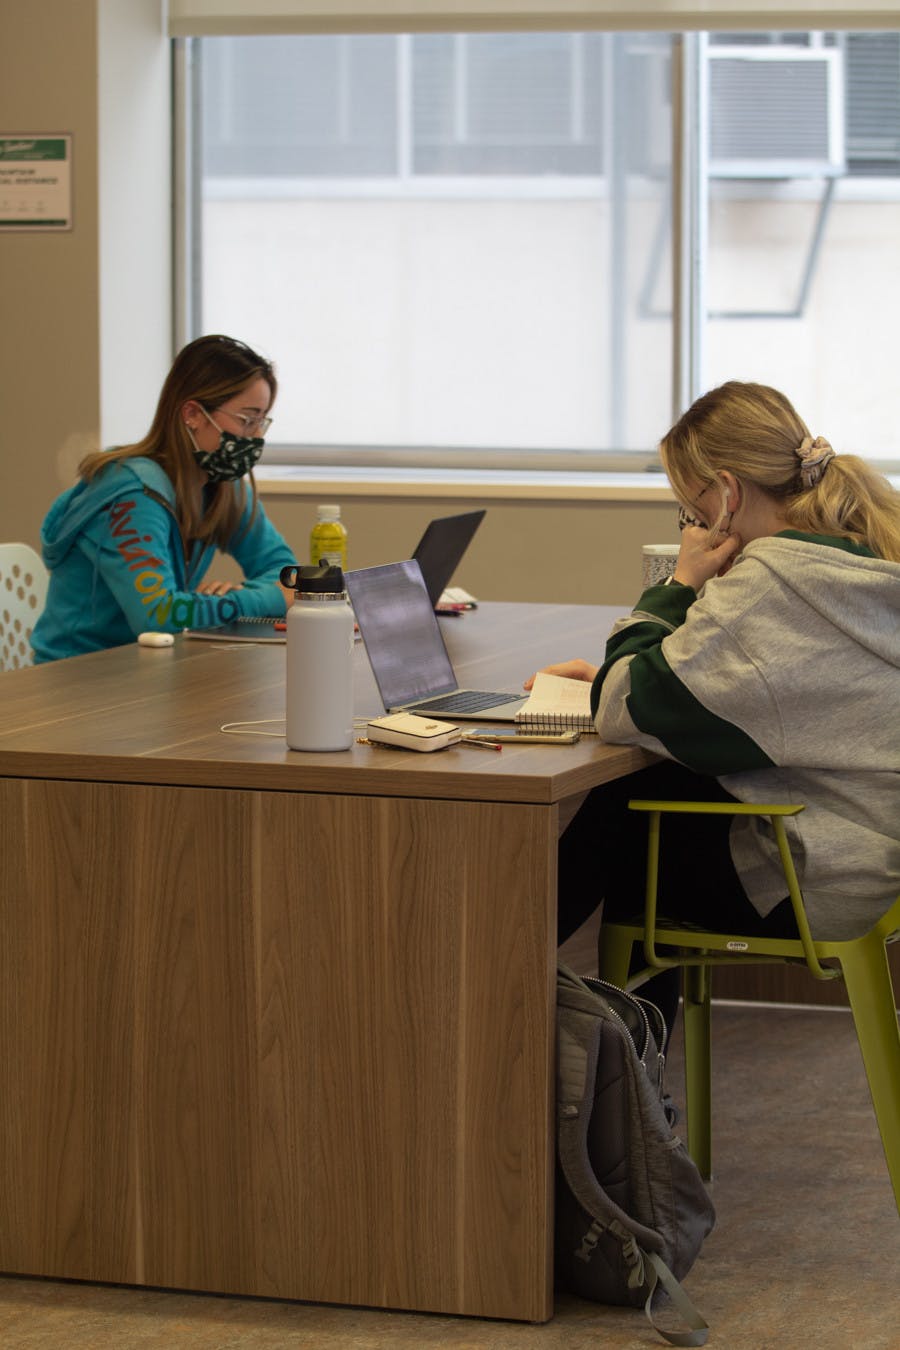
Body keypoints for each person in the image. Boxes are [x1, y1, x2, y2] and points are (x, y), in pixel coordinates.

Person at [534, 381, 900, 1033]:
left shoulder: (775, 584)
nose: (692, 524)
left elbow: (624, 706)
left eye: (689, 508)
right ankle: (632, 1089)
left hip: (823, 877)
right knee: (658, 792)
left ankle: (494, 992)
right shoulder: (862, 554)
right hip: (876, 854)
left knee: (627, 817)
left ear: (726, 494)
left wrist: (679, 584)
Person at [32, 334, 297, 662]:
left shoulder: (223, 488)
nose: (256, 437)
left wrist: (244, 594)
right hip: (75, 681)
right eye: (246, 420)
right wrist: (265, 600)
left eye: (262, 422)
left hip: (147, 670)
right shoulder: (133, 495)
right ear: (193, 414)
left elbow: (288, 575)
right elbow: (159, 617)